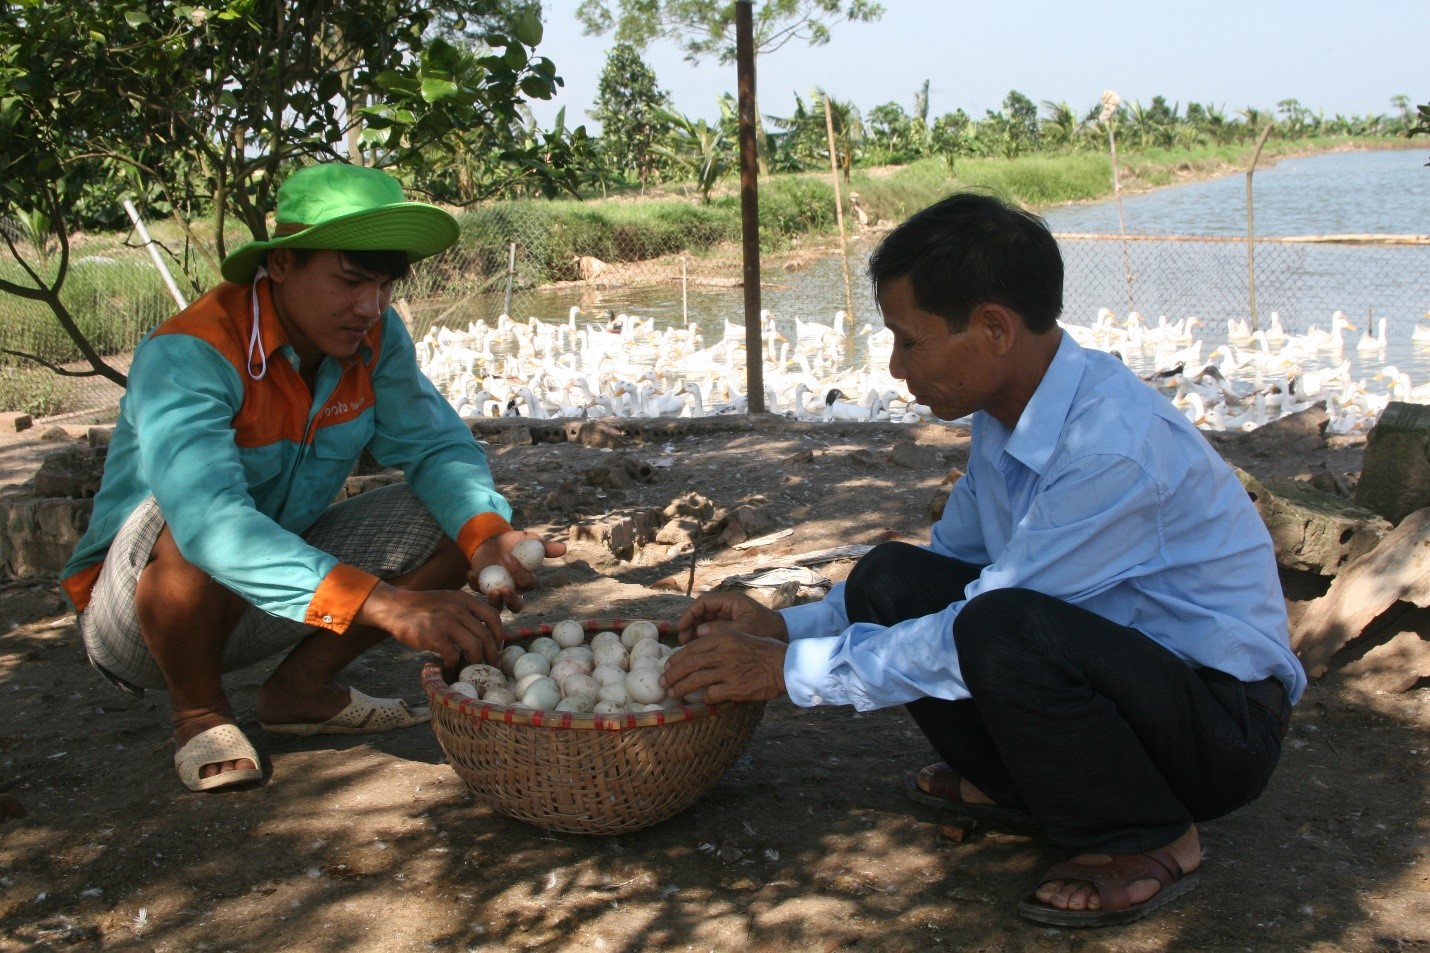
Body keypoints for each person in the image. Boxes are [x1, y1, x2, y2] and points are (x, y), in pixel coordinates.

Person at [662, 191, 1304, 928]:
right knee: (889, 578)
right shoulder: (1006, 419)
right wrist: (784, 628)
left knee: (998, 628)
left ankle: (1147, 836)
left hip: (1216, 723)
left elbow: (978, 621)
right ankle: (1019, 785)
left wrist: (788, 673)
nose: (899, 367)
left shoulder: (1112, 451)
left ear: (994, 328)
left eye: (911, 340)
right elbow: (952, 568)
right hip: (1116, 682)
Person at [61, 163, 565, 793]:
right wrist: (385, 604)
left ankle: (300, 690)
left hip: (263, 598)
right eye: (350, 281)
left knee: (457, 516)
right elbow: (211, 523)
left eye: (382, 286)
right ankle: (198, 712)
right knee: (190, 520)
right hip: (142, 621)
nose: (369, 307)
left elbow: (435, 445)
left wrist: (487, 534)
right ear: (280, 265)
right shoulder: (189, 354)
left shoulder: (375, 337)